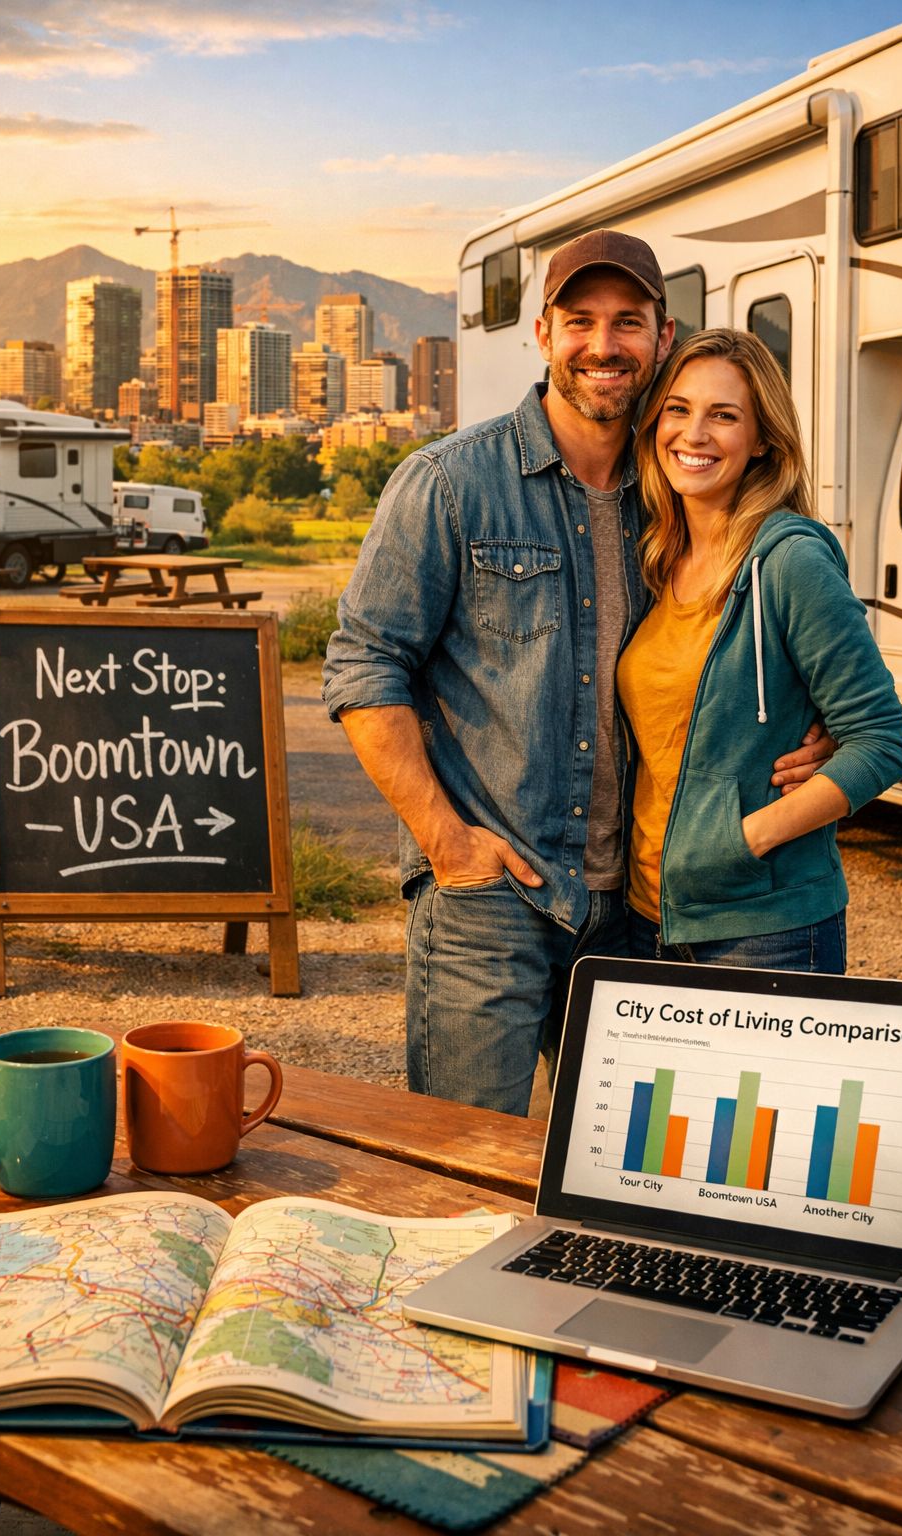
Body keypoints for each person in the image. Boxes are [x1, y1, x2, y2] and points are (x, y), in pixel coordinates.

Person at [323, 232, 831, 1116]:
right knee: (464, 1168)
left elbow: (769, 632)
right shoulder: (450, 482)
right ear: (544, 333)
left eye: (627, 321)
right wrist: (447, 842)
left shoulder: (675, 488)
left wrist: (815, 725)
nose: (605, 344)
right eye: (582, 321)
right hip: (493, 898)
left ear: (661, 339)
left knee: (622, 1178)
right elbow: (366, 666)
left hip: (638, 910)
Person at [618, 327, 902, 970]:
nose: (693, 435)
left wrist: (743, 840)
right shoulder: (659, 557)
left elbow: (881, 740)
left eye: (724, 416)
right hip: (647, 917)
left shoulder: (790, 561)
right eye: (678, 408)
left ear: (762, 443)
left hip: (762, 930)